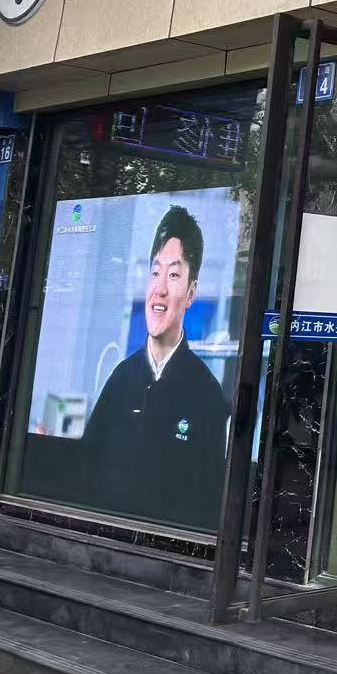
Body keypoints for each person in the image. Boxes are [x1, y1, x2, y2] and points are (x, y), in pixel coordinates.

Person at [81, 205, 230, 529]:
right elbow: (85, 472)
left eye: (174, 275)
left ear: (191, 293)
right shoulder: (121, 378)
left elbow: (207, 503)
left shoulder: (207, 395)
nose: (160, 288)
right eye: (155, 272)